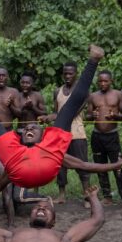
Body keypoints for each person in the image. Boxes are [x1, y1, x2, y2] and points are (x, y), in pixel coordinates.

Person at [0, 45, 122, 197]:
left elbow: (85, 165)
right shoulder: (16, 155)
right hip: (21, 166)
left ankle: (94, 59)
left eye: (34, 128)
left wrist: (114, 165)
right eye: (27, 129)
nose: (28, 129)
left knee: (67, 110)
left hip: (40, 163)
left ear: (43, 135)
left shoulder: (49, 149)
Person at [42, 62, 90, 205]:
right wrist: (49, 117)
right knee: (60, 165)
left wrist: (53, 117)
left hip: (77, 132)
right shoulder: (57, 91)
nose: (68, 76)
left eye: (71, 73)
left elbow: (73, 113)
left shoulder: (82, 92)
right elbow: (57, 112)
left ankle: (87, 196)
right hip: (60, 133)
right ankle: (62, 195)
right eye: (65, 73)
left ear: (76, 74)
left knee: (81, 164)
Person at [87, 70, 122, 205]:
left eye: (106, 81)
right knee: (100, 166)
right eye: (100, 81)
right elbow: (87, 116)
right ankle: (107, 196)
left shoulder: (118, 95)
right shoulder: (93, 96)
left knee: (117, 167)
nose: (103, 83)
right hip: (97, 136)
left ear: (111, 81)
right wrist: (92, 116)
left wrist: (115, 116)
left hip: (112, 136)